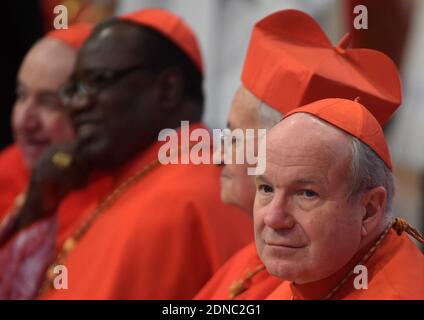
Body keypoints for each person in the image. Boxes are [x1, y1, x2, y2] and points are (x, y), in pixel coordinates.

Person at [0, 8, 252, 300]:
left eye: (99, 81)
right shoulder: (127, 181)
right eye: (75, 89)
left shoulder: (197, 194)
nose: (79, 104)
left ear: (168, 89)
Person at [195, 9, 402, 300]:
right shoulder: (276, 257)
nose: (218, 155)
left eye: (235, 136)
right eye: (267, 188)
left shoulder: (305, 263)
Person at [258, 98, 424, 299]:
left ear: (368, 211)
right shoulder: (317, 272)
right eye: (266, 188)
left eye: (307, 193)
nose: (273, 219)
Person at [0, 24, 92, 221]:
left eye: (49, 103)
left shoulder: (113, 192)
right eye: (22, 95)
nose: (24, 122)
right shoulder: (5, 170)